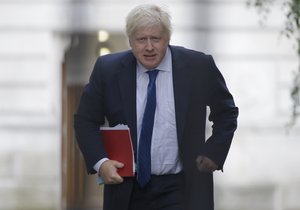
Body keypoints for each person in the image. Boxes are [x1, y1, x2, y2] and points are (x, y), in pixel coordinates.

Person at [74, 3, 238, 210]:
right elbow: (85, 121)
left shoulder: (198, 66)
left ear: (168, 39)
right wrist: (101, 162)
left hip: (182, 188)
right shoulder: (108, 70)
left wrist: (214, 152)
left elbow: (226, 112)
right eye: (141, 39)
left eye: (156, 39)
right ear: (131, 41)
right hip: (127, 189)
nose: (149, 47)